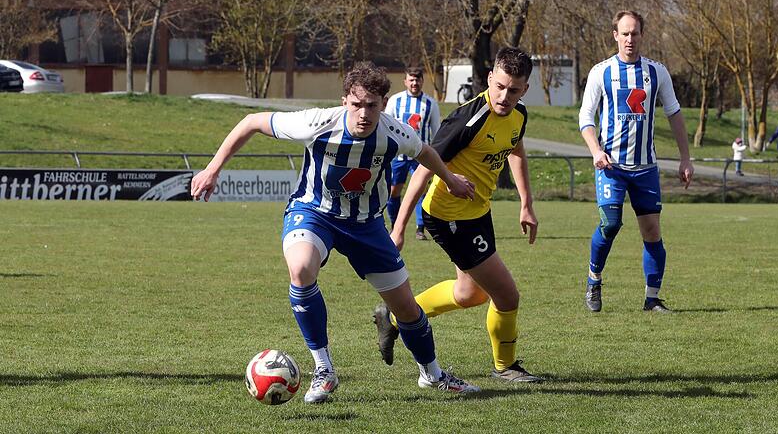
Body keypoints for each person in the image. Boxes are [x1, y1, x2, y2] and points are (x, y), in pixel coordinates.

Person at [191, 62, 480, 403]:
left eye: (372, 105)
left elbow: (425, 152)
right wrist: (212, 169)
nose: (363, 113)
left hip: (367, 225)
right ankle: (324, 370)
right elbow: (251, 122)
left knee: (405, 308)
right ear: (344, 101)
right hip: (314, 213)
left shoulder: (393, 132)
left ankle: (432, 374)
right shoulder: (315, 123)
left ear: (383, 104)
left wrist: (450, 179)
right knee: (300, 269)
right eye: (357, 104)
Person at [374, 47, 543, 383]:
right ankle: (505, 367)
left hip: (477, 211)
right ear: (490, 78)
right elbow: (424, 167)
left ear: (525, 89)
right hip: (449, 215)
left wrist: (526, 202)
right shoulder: (469, 118)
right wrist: (400, 228)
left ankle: (394, 316)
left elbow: (516, 150)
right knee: (507, 295)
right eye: (500, 86)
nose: (504, 96)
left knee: (470, 294)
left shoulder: (519, 115)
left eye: (514, 90)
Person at [579, 10, 694, 314]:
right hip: (611, 167)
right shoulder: (601, 72)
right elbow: (585, 117)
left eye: (635, 33)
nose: (630, 39)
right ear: (615, 35)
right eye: (625, 33)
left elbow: (674, 113)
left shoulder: (657, 72)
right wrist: (595, 150)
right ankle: (594, 280)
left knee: (652, 231)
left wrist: (685, 158)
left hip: (645, 167)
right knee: (610, 223)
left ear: (643, 35)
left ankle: (652, 298)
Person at [385, 67, 441, 241]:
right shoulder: (395, 101)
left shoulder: (430, 103)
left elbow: (436, 131)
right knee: (394, 191)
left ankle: (420, 228)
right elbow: (386, 126)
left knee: (421, 191)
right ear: (405, 81)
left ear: (422, 81)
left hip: (420, 156)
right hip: (399, 156)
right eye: (411, 80)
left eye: (417, 80)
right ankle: (395, 226)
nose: (414, 83)